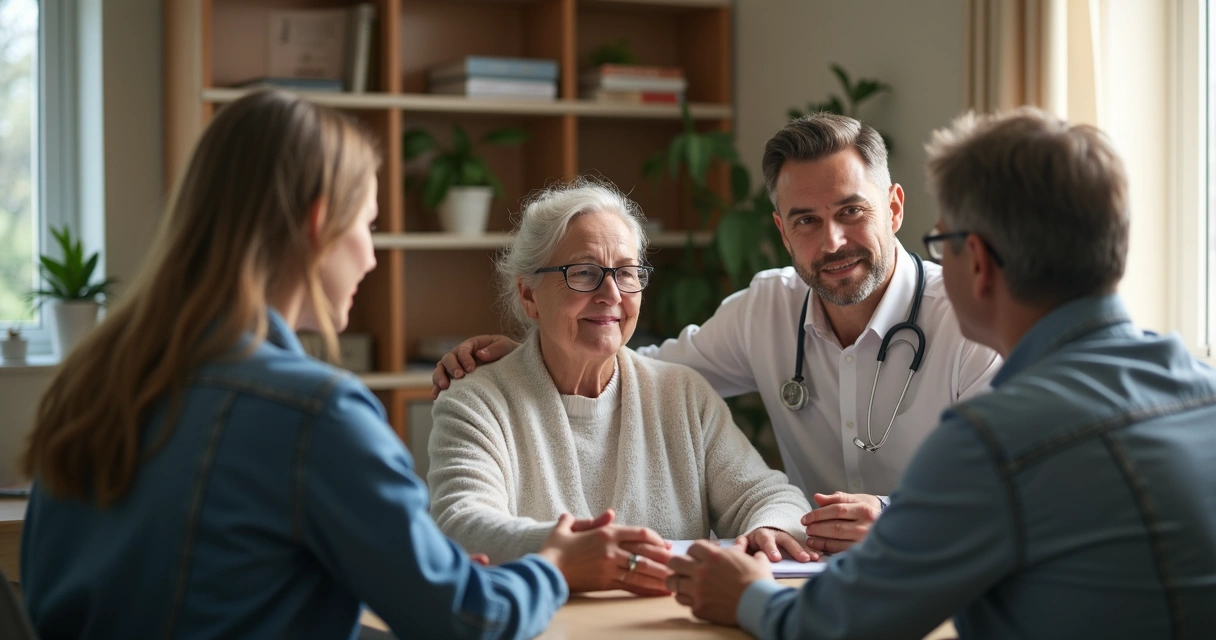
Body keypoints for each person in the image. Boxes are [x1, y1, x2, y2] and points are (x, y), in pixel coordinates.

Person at [18, 90, 640, 640]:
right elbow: (463, 621)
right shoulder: (316, 414)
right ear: (318, 222)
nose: (371, 257)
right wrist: (554, 565)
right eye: (368, 225)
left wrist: (435, 578)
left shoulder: (91, 381)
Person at [666, 108, 1216, 639]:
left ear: (975, 261)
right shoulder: (1203, 392)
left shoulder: (997, 439)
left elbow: (839, 625)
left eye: (941, 242)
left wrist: (744, 595)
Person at [431, 113, 1002, 556]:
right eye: (806, 220)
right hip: (820, 583)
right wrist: (538, 354)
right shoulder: (764, 311)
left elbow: (1011, 490)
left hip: (947, 568)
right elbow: (635, 367)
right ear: (783, 231)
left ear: (894, 208)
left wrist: (893, 515)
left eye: (851, 211)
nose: (831, 242)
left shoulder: (973, 320)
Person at [428, 179, 814, 595]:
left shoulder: (683, 394)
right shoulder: (476, 402)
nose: (611, 294)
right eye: (584, 273)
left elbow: (771, 496)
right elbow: (460, 523)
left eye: (627, 273)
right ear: (529, 295)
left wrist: (771, 528)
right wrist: (568, 553)